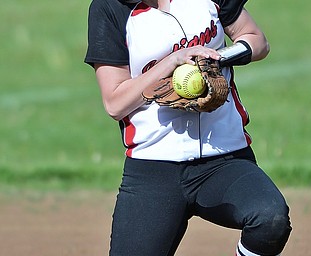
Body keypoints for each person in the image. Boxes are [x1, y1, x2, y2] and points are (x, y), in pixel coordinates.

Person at [84, 0, 292, 255]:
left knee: (270, 219)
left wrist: (215, 59)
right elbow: (115, 102)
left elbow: (257, 41)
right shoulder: (110, 8)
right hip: (153, 169)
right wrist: (171, 64)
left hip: (225, 159)